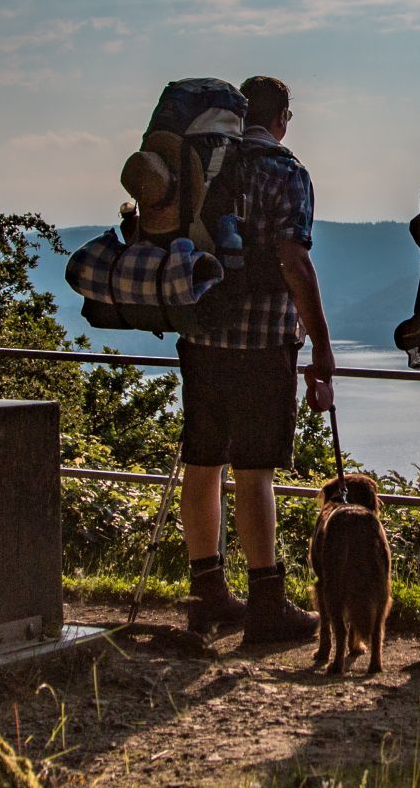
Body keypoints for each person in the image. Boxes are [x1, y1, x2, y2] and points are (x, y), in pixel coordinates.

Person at [176, 75, 337, 643]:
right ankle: (267, 600)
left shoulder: (204, 165)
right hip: (263, 342)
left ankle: (208, 595)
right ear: (282, 117)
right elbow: (294, 261)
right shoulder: (285, 173)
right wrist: (320, 344)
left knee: (202, 465)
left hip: (199, 336)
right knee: (254, 471)